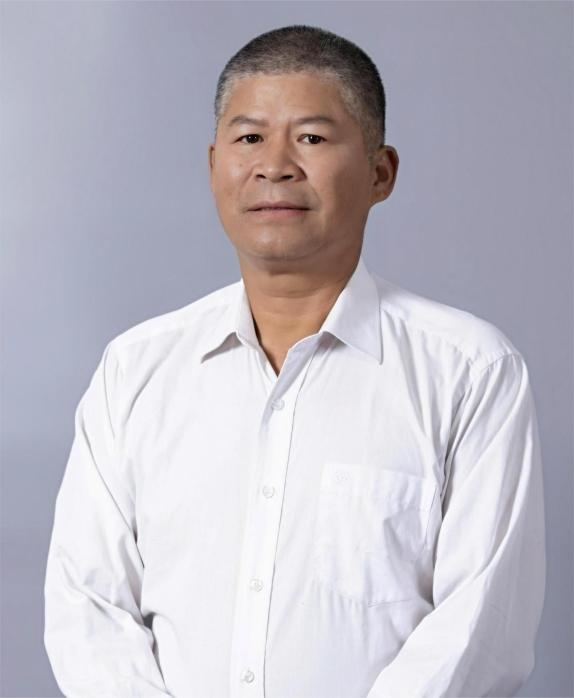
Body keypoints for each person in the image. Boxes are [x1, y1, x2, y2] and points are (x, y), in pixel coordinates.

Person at [43, 24, 546, 698]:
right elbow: (88, 607)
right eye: (250, 138)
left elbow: (479, 633)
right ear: (214, 164)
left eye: (311, 137)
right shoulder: (134, 370)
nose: (274, 165)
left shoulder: (470, 372)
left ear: (380, 172)